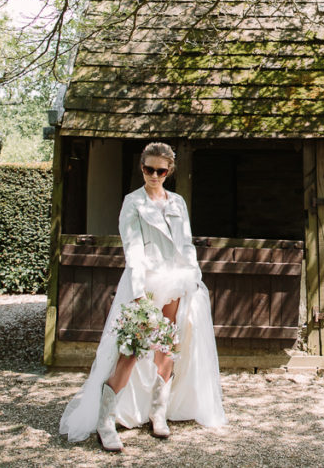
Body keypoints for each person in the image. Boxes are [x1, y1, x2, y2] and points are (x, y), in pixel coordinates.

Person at [59, 142, 226, 451]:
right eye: (149, 169)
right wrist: (139, 295)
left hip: (176, 282)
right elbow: (132, 250)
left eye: (161, 170)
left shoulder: (177, 203)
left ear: (169, 172)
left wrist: (193, 279)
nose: (154, 175)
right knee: (131, 350)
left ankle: (158, 412)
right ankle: (105, 420)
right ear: (142, 168)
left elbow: (186, 244)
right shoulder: (132, 202)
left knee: (167, 346)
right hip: (145, 283)